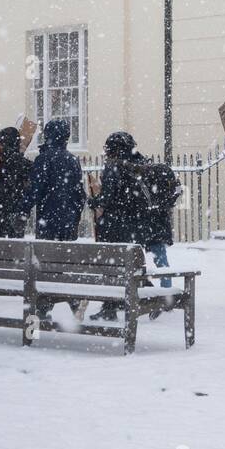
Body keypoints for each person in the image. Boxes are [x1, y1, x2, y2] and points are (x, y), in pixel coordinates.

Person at [87, 131, 152, 322]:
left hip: (115, 226)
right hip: (137, 224)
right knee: (134, 265)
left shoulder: (114, 167)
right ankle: (146, 296)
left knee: (112, 267)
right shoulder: (140, 164)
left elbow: (108, 198)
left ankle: (110, 306)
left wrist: (93, 201)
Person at [130, 144, 182, 289]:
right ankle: (166, 290)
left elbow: (142, 201)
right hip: (158, 222)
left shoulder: (142, 178)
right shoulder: (160, 171)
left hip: (147, 224)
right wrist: (165, 205)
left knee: (146, 260)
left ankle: (163, 292)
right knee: (160, 259)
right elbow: (177, 189)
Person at [28, 118, 86, 241]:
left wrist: (22, 211)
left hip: (47, 221)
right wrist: (75, 216)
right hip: (68, 222)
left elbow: (35, 190)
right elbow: (80, 193)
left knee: (46, 257)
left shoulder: (43, 159)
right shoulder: (73, 160)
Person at [0, 126, 33, 238]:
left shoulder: (3, 163)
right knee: (15, 248)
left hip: (1, 213)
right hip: (16, 214)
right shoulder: (20, 162)